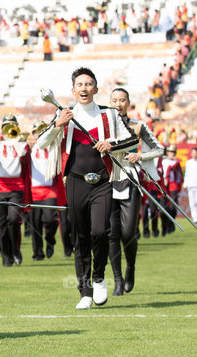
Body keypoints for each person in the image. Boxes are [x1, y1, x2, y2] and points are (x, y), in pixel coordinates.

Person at [36, 67, 137, 309]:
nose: (84, 88)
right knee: (80, 237)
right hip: (74, 181)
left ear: (96, 88)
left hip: (102, 181)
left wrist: (111, 144)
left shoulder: (109, 115)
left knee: (101, 231)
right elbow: (41, 143)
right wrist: (58, 125)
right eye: (79, 84)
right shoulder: (65, 114)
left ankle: (99, 277)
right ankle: (85, 291)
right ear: (73, 90)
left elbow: (132, 139)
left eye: (89, 84)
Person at [107, 87, 162, 295]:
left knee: (128, 232)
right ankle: (117, 279)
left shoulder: (138, 126)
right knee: (111, 233)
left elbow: (159, 149)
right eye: (114, 100)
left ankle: (130, 267)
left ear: (128, 103)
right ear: (109, 103)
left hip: (130, 179)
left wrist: (141, 157)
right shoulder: (103, 128)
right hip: (107, 180)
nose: (118, 103)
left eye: (122, 100)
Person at [0, 115, 30, 267]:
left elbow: (23, 155)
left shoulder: (21, 143)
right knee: (2, 224)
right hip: (0, 188)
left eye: (12, 125)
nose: (9, 127)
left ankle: (16, 250)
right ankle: (6, 255)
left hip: (16, 188)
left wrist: (17, 141)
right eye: (6, 125)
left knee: (13, 220)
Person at [27, 123, 65, 262]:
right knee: (35, 223)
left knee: (50, 219)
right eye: (35, 133)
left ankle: (50, 240)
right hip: (34, 190)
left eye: (41, 132)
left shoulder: (52, 146)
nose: (38, 135)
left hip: (50, 189)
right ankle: (38, 252)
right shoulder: (29, 148)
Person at [184, 147, 197, 223]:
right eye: (192, 153)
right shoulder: (188, 162)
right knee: (192, 203)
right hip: (190, 185)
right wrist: (185, 184)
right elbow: (186, 174)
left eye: (195, 153)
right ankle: (195, 219)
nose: (193, 154)